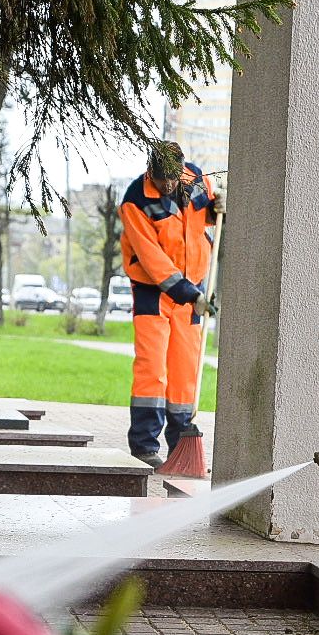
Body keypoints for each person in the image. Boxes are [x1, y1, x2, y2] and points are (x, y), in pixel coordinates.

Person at [119, 140, 222, 466]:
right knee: (152, 368)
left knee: (185, 370)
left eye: (172, 179)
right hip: (153, 292)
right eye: (162, 179)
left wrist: (218, 208)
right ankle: (144, 446)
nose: (167, 185)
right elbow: (153, 260)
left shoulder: (196, 179)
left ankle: (180, 448)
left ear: (181, 171)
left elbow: (204, 221)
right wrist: (192, 294)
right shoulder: (135, 201)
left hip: (192, 291)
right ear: (150, 170)